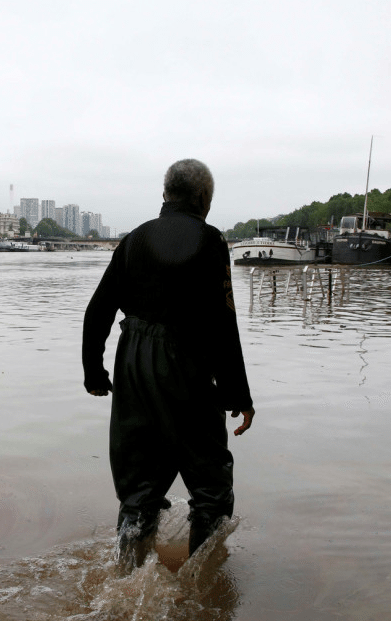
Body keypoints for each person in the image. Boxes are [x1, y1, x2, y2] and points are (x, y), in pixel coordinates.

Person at [81, 158, 255, 572]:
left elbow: (97, 310)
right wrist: (238, 394)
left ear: (165, 195)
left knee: (138, 487)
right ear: (202, 199)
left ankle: (125, 581)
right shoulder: (210, 241)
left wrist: (94, 372)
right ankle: (203, 588)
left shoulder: (133, 240)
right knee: (211, 486)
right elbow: (222, 323)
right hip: (186, 362)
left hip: (132, 363)